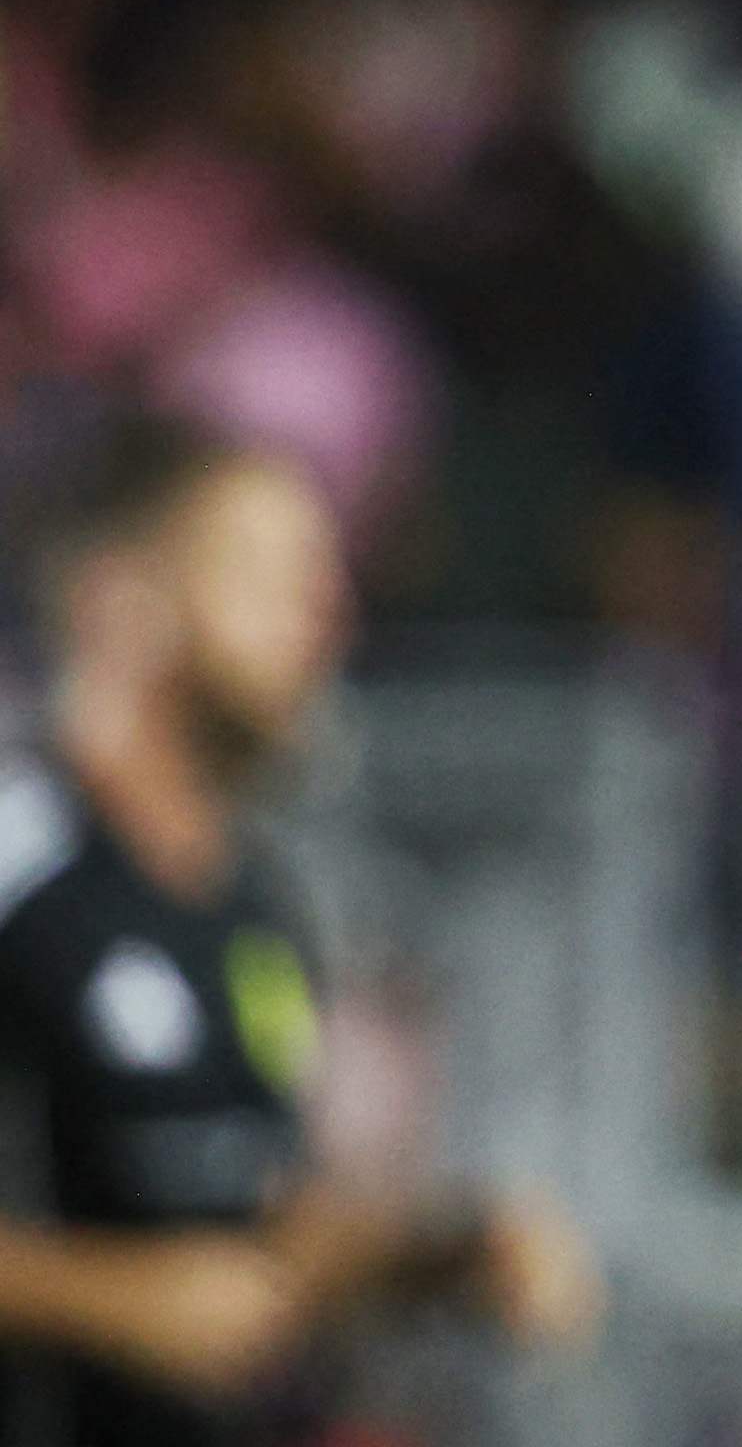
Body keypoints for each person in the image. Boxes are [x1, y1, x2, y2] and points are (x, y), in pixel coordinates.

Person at [0, 416, 603, 1445]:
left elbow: (255, 1230)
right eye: (269, 574)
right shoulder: (20, 864)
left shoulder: (260, 907)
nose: (327, 612)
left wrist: (445, 1254)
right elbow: (163, 1289)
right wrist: (107, 1300)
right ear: (121, 599)